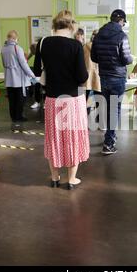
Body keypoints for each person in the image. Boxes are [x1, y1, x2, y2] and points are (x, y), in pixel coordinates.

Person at [33, 10, 89, 190]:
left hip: (51, 99)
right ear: (72, 25)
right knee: (72, 136)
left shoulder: (43, 43)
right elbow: (82, 76)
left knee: (54, 137)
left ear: (55, 25)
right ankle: (71, 179)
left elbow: (36, 71)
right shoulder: (75, 45)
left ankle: (55, 177)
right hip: (72, 99)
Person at [91, 9, 133, 155]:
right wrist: (130, 59)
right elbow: (127, 59)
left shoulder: (98, 35)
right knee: (114, 109)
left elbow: (94, 58)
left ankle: (110, 136)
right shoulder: (122, 36)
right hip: (117, 78)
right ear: (121, 20)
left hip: (104, 77)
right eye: (123, 22)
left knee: (108, 107)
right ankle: (109, 143)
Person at [1, 30, 36, 122]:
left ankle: (13, 117)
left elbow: (4, 63)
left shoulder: (3, 49)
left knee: (11, 99)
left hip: (9, 79)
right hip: (19, 80)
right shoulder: (17, 48)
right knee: (21, 99)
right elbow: (23, 64)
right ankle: (19, 116)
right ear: (15, 38)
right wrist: (32, 75)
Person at [83, 30, 101, 114]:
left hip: (87, 74)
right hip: (97, 74)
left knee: (86, 94)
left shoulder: (85, 46)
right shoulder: (102, 47)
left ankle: (85, 114)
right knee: (98, 95)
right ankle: (99, 115)